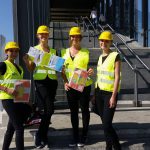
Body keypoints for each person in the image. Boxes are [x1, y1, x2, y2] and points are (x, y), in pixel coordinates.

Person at [23, 25, 58, 148]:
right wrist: (27, 61)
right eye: (41, 34)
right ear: (38, 36)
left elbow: (57, 68)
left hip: (52, 82)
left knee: (49, 111)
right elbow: (31, 68)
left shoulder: (53, 51)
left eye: (45, 34)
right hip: (41, 82)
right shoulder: (34, 50)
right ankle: (40, 135)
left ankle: (43, 136)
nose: (43, 36)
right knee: (49, 110)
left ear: (48, 35)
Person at [61, 27, 94, 147]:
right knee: (73, 112)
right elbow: (62, 71)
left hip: (84, 86)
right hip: (71, 87)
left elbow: (88, 69)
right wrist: (65, 82)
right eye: (73, 36)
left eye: (78, 36)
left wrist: (90, 71)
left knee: (85, 110)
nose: (75, 38)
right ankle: (75, 136)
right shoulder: (64, 52)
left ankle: (84, 135)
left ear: (80, 38)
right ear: (70, 38)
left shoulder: (86, 52)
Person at [0, 42, 31, 150]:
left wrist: (25, 100)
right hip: (7, 99)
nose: (14, 53)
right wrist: (6, 89)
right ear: (6, 52)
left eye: (16, 51)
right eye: (11, 50)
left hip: (18, 100)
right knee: (19, 128)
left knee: (11, 128)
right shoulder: (3, 65)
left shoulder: (19, 68)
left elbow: (20, 86)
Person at [95, 31, 122, 150]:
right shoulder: (100, 57)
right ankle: (108, 145)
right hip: (99, 93)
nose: (103, 43)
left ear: (110, 42)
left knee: (106, 124)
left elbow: (117, 77)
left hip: (110, 94)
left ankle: (116, 146)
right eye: (102, 40)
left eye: (106, 41)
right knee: (105, 124)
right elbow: (99, 76)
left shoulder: (115, 55)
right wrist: (94, 94)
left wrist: (113, 96)